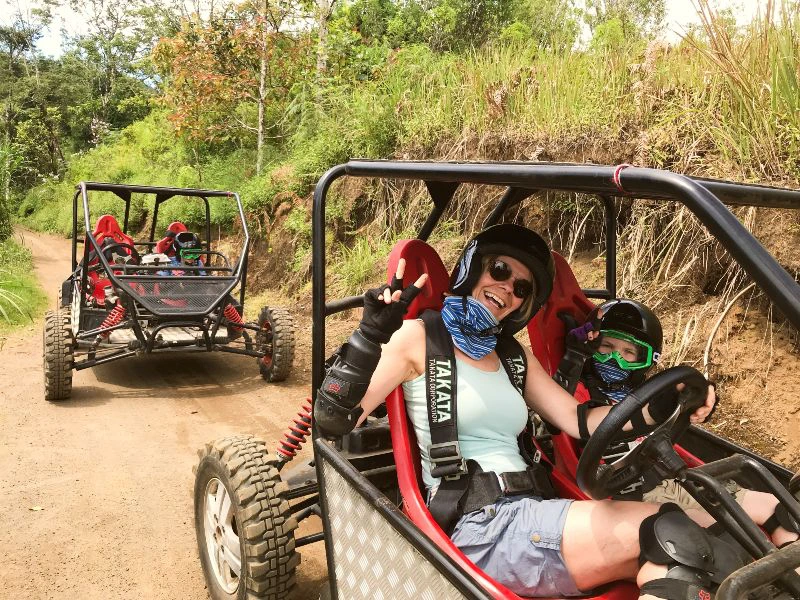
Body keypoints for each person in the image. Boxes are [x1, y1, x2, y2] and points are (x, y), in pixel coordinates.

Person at [313, 224, 798, 599]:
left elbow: (582, 421)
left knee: (735, 519)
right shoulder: (420, 337)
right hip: (480, 525)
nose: (508, 288)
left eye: (522, 288)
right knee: (669, 532)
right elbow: (334, 421)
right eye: (499, 271)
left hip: (536, 512)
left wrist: (667, 405)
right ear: (471, 268)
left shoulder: (509, 355)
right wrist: (369, 336)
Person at [562, 299, 800, 543]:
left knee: (780, 509)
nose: (615, 359)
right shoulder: (578, 394)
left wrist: (699, 397)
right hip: (629, 496)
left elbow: (676, 398)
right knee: (729, 536)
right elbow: (569, 418)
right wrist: (572, 357)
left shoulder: (649, 392)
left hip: (671, 478)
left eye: (628, 353)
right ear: (591, 346)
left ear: (647, 360)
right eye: (606, 347)